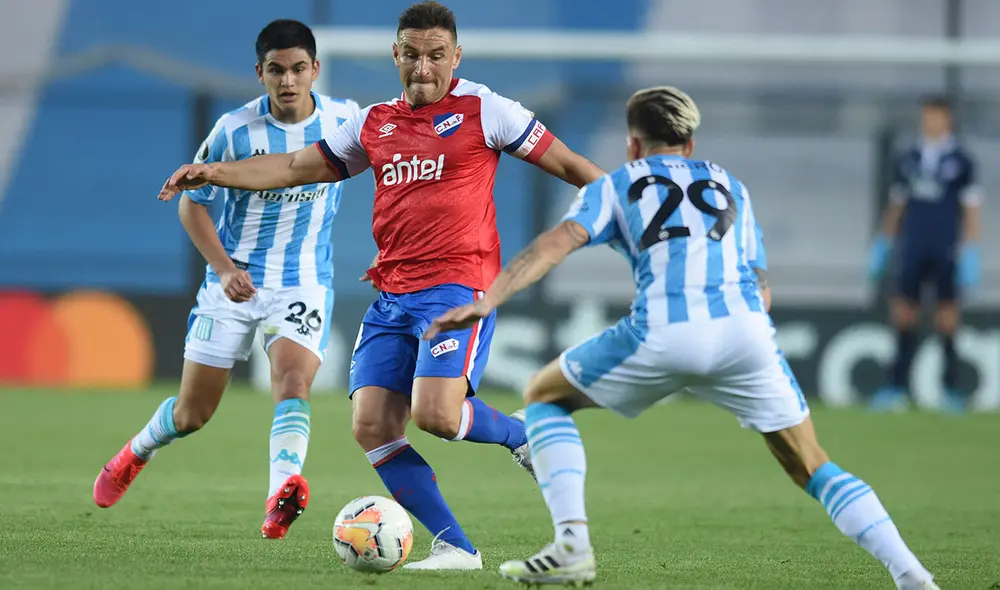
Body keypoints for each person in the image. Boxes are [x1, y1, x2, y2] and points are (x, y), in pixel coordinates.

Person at [424, 86, 940, 590]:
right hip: (747, 335)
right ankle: (910, 573)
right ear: (689, 144)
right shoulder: (731, 186)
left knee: (542, 395)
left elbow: (554, 245)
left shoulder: (617, 184)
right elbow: (760, 284)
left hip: (664, 331)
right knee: (811, 463)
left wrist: (487, 300)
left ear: (632, 144)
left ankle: (572, 547)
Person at [157, 0, 605, 570]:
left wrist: (629, 199)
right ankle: (457, 547)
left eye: (436, 56)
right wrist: (215, 171)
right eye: (412, 55)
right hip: (393, 295)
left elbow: (568, 164)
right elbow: (296, 167)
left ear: (456, 56)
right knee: (371, 425)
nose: (423, 68)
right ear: (396, 55)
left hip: (457, 288)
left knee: (438, 416)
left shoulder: (486, 110)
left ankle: (525, 436)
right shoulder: (373, 123)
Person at [92, 19, 360, 540]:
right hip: (234, 283)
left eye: (299, 69)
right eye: (276, 70)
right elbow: (192, 208)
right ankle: (134, 453)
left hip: (304, 281)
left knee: (293, 381)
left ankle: (278, 497)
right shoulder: (234, 132)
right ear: (259, 73)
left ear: (315, 71)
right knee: (193, 413)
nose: (288, 81)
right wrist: (224, 269)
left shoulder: (346, 120)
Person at [867, 95, 983, 413]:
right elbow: (897, 204)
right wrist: (883, 243)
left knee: (947, 318)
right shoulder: (908, 158)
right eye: (926, 116)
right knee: (904, 314)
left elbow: (971, 208)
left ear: (947, 120)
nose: (929, 121)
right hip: (913, 246)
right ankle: (895, 388)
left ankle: (950, 391)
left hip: (946, 247)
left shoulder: (962, 161)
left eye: (936, 116)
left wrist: (972, 248)